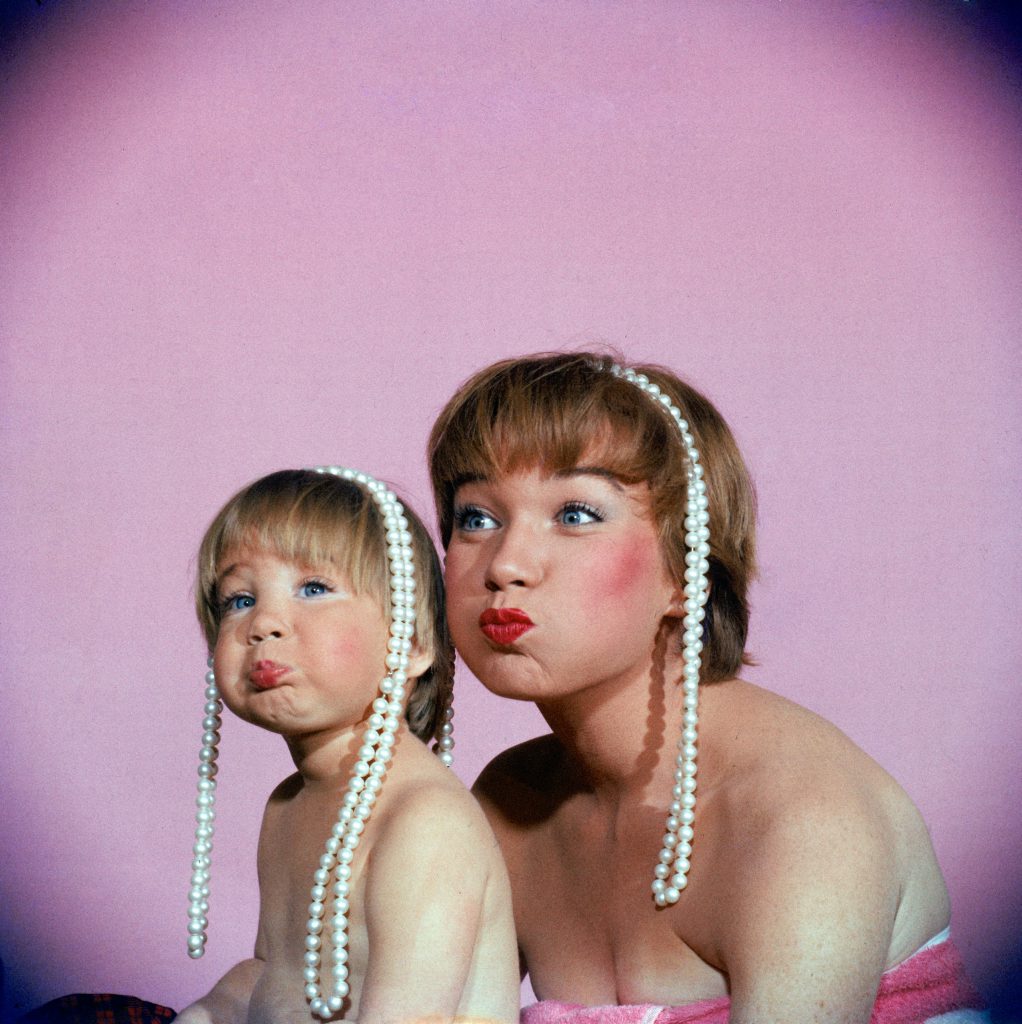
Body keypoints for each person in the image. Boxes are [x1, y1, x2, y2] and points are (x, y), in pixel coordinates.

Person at [427, 353, 987, 1024]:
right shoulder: (513, 804)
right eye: (476, 518)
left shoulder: (799, 816)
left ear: (685, 570)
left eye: (576, 513)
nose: (506, 564)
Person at [176, 467, 519, 1024]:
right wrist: (211, 1012)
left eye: (314, 589)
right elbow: (278, 975)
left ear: (410, 646)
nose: (264, 622)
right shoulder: (288, 805)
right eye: (237, 599)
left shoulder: (423, 820)